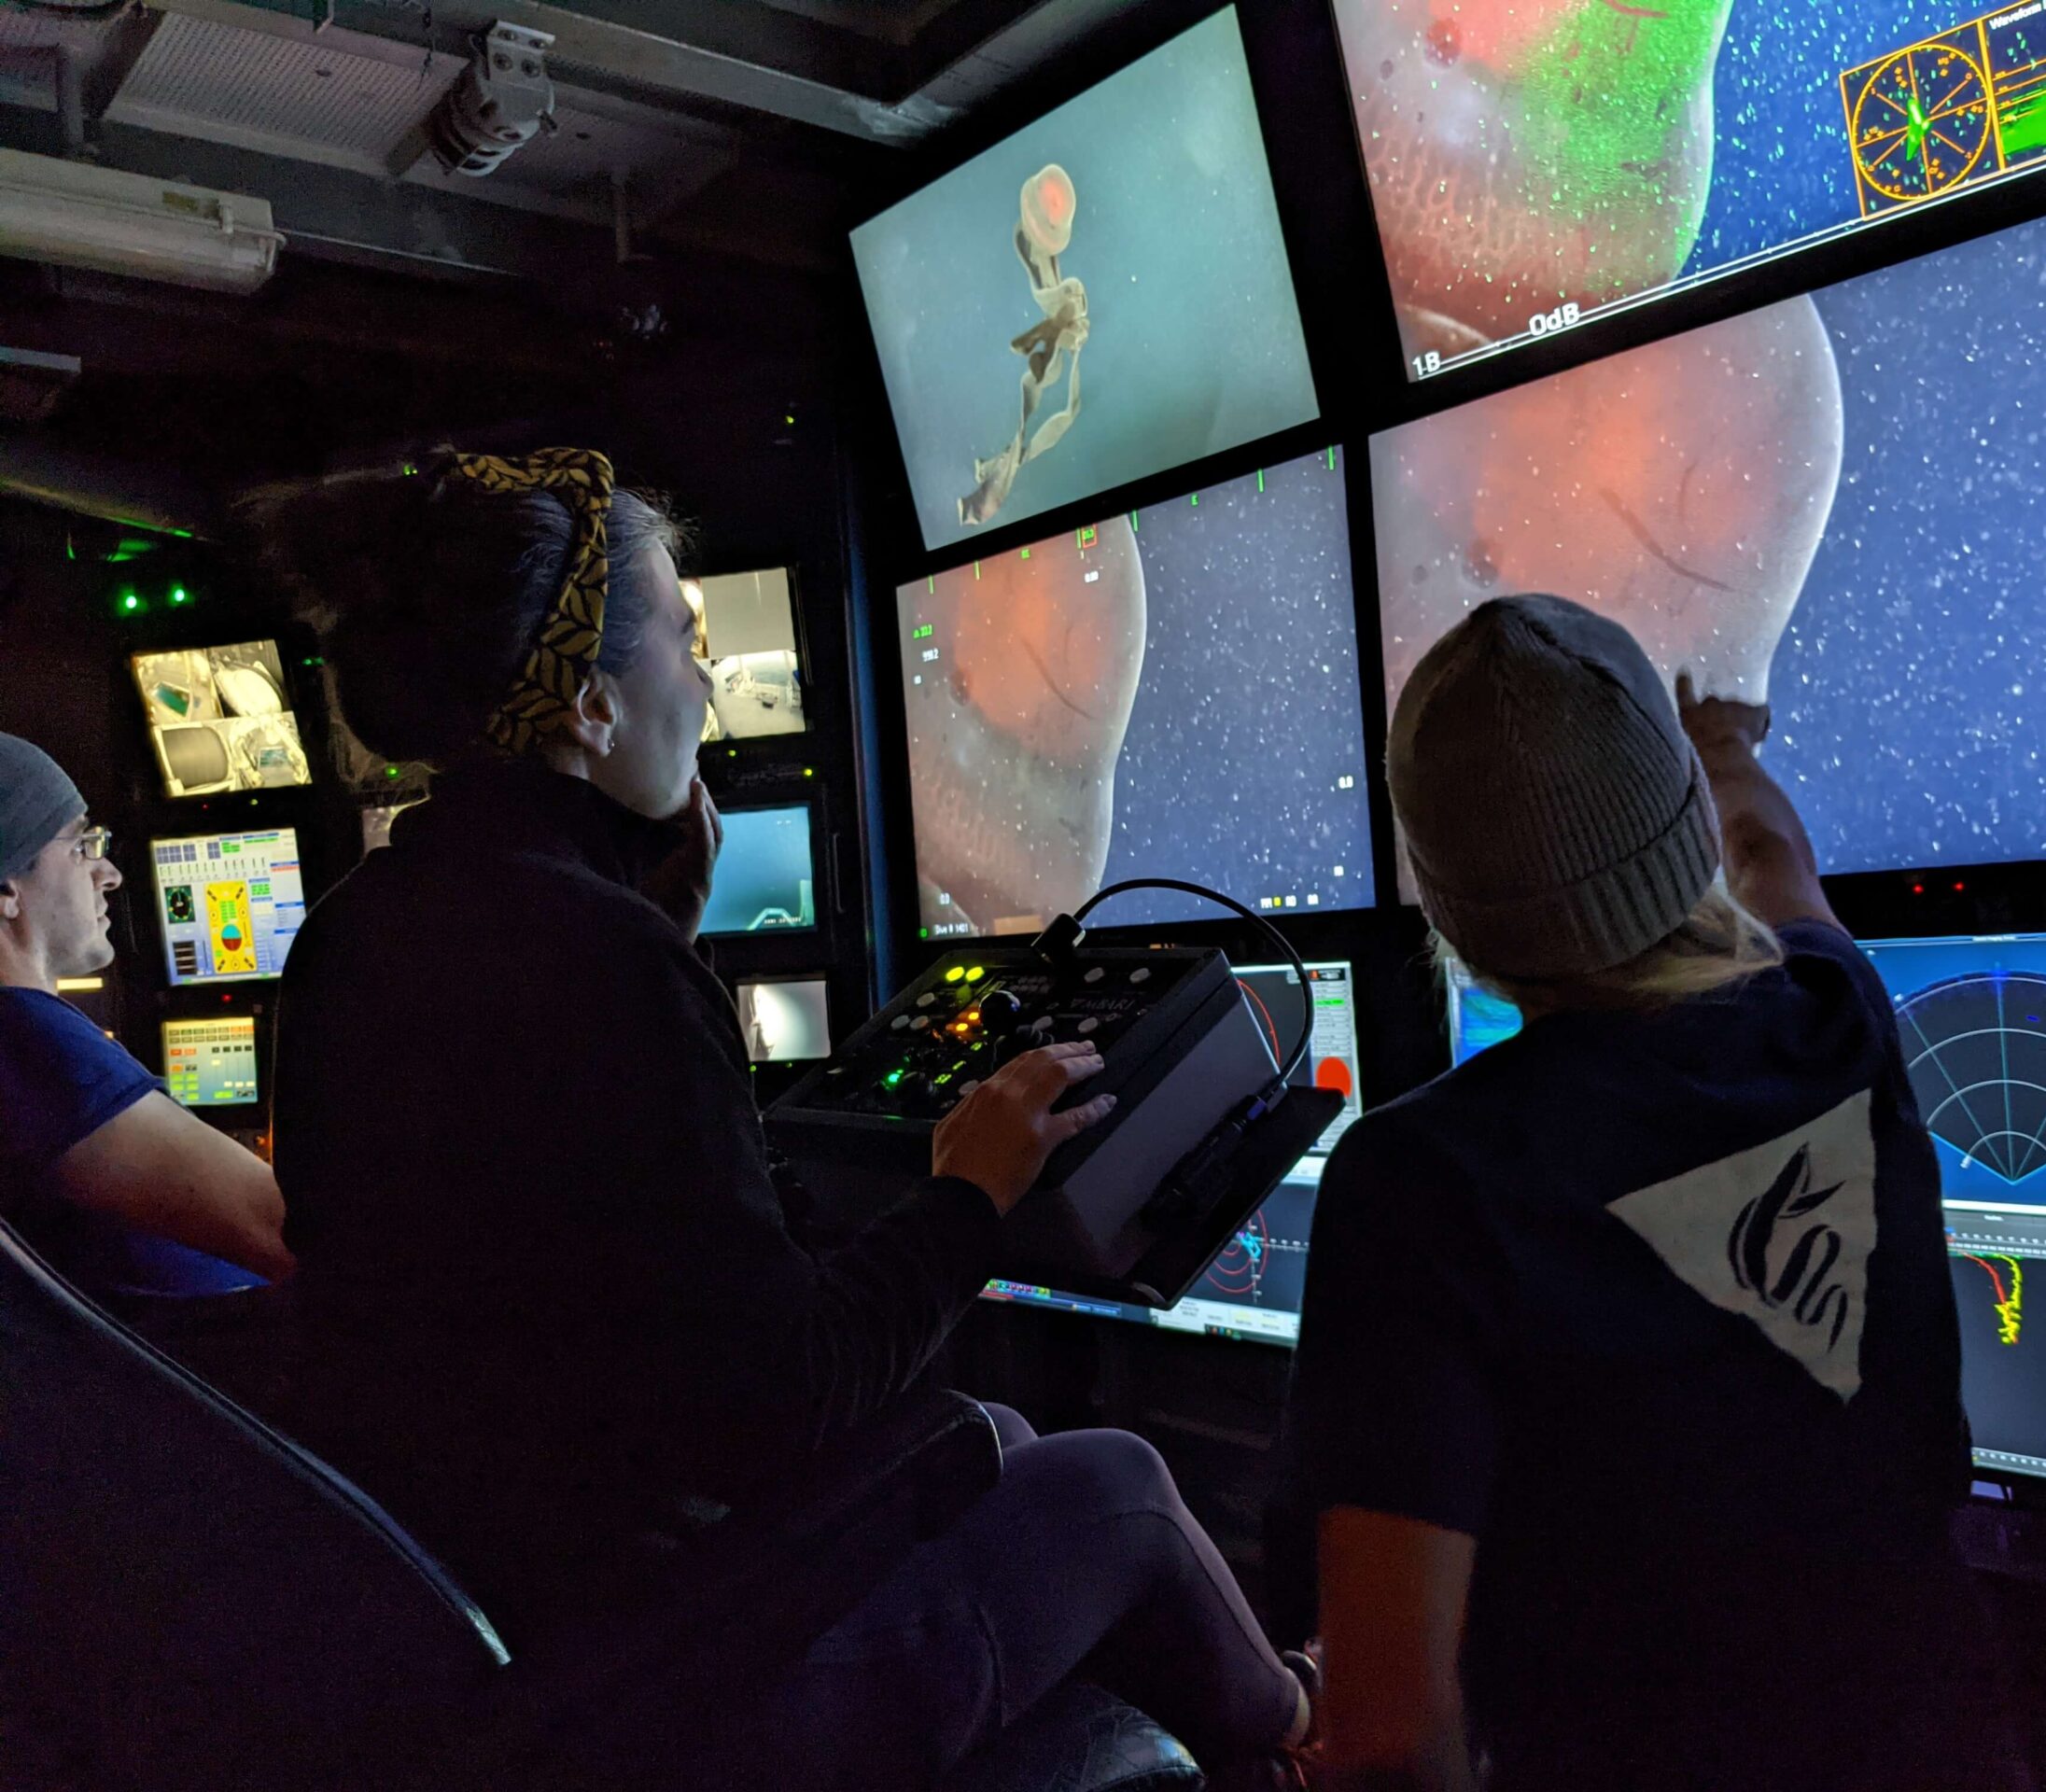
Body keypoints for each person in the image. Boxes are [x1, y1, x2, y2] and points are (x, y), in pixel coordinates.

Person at [250, 448, 1307, 1789]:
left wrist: (658, 933)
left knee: (1007, 1446)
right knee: (1115, 1487)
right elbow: (779, 1396)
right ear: (586, 706)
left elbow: (576, 1277)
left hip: (483, 1642)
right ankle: (1316, 1738)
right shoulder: (601, 962)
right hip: (656, 1699)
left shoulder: (351, 937)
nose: (706, 682)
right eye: (685, 641)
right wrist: (968, 1193)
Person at [1290, 595, 2016, 1792]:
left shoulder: (1422, 1179)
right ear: (1682, 833)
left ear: (1446, 901)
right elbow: (1777, 863)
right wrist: (1723, 746)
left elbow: (1381, 1742)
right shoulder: (1836, 1016)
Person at [0, 732, 293, 1299]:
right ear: (8, 889)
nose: (108, 873)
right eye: (83, 845)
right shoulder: (27, 1040)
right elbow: (287, 1232)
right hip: (227, 1381)